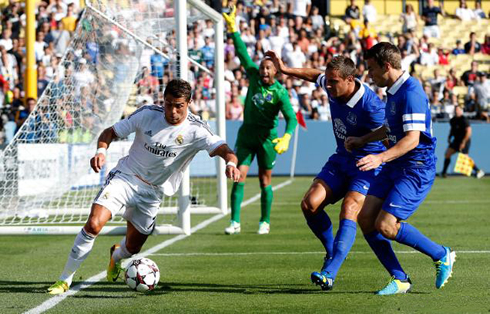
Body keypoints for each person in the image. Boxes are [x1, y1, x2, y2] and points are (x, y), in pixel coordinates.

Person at [47, 79, 241, 295]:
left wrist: (231, 163)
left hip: (153, 192)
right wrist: (101, 151)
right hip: (126, 178)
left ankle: (116, 256)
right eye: (168, 104)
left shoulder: (197, 130)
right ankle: (64, 280)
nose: (173, 110)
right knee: (93, 224)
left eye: (179, 105)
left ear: (189, 103)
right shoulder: (147, 114)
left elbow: (224, 149)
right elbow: (109, 132)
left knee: (133, 248)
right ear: (163, 100)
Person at [266, 50, 386, 291]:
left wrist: (365, 143)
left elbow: (388, 130)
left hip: (366, 164)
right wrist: (286, 69)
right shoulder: (332, 84)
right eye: (328, 80)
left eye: (334, 82)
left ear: (349, 80)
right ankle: (331, 252)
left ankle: (330, 272)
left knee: (349, 208)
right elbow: (315, 76)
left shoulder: (370, 104)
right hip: (342, 158)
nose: (328, 86)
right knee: (309, 204)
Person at [345, 42, 455, 295]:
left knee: (386, 225)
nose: (369, 75)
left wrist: (380, 158)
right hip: (397, 164)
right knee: (365, 218)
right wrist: (364, 140)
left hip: (415, 168)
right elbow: (392, 128)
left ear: (386, 66)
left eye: (372, 69)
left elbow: (412, 139)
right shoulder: (394, 91)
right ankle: (399, 278)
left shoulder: (411, 92)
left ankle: (441, 254)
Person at [222, 7, 297, 235]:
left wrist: (286, 136)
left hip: (267, 140)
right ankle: (235, 222)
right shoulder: (253, 76)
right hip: (246, 136)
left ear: (275, 71)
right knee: (238, 176)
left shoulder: (280, 92)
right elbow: (243, 54)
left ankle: (264, 221)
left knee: (265, 181)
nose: (264, 71)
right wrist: (233, 30)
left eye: (268, 68)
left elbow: (292, 118)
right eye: (262, 67)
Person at [441, 105, 485, 178]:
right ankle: (444, 173)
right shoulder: (452, 120)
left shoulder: (464, 120)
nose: (456, 111)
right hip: (456, 141)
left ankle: (479, 171)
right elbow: (452, 130)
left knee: (465, 157)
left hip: (465, 140)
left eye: (458, 110)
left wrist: (463, 142)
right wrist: (449, 137)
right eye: (456, 110)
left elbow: (469, 131)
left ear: (461, 111)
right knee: (447, 154)